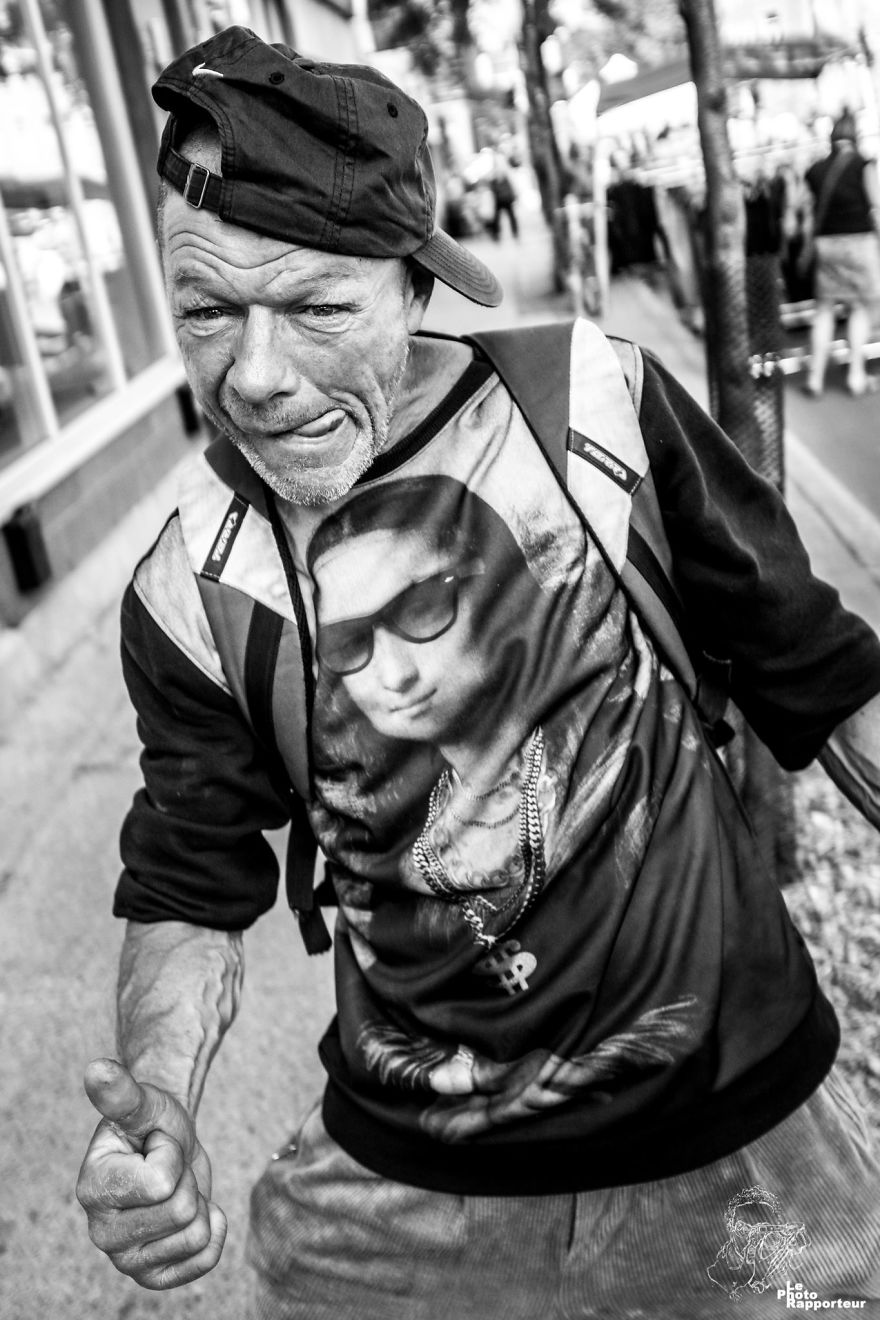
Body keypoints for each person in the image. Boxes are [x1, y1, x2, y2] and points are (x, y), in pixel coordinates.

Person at [75, 26, 880, 1319]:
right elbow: (188, 877)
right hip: (399, 1196)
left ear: (416, 283)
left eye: (319, 309)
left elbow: (824, 677)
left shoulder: (602, 413)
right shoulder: (190, 588)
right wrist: (160, 1096)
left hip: (745, 1144)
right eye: (210, 313)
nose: (259, 379)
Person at [800, 111, 880, 397]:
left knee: (824, 310)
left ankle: (815, 379)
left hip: (826, 245)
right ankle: (856, 376)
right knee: (858, 308)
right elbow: (876, 205)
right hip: (859, 242)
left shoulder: (814, 170)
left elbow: (805, 213)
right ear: (855, 135)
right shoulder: (863, 164)